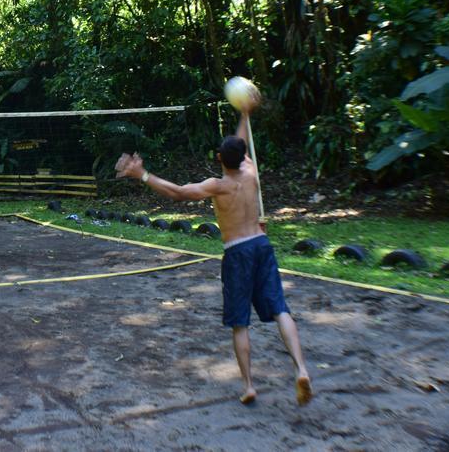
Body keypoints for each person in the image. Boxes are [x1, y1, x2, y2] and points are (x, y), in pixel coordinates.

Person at [114, 97, 313, 407]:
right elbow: (242, 144)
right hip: (261, 245)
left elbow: (178, 193)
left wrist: (142, 174)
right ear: (243, 156)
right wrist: (245, 114)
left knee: (239, 322)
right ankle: (301, 368)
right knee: (280, 309)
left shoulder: (218, 185)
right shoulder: (251, 173)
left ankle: (248, 386)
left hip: (237, 252)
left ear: (220, 158)